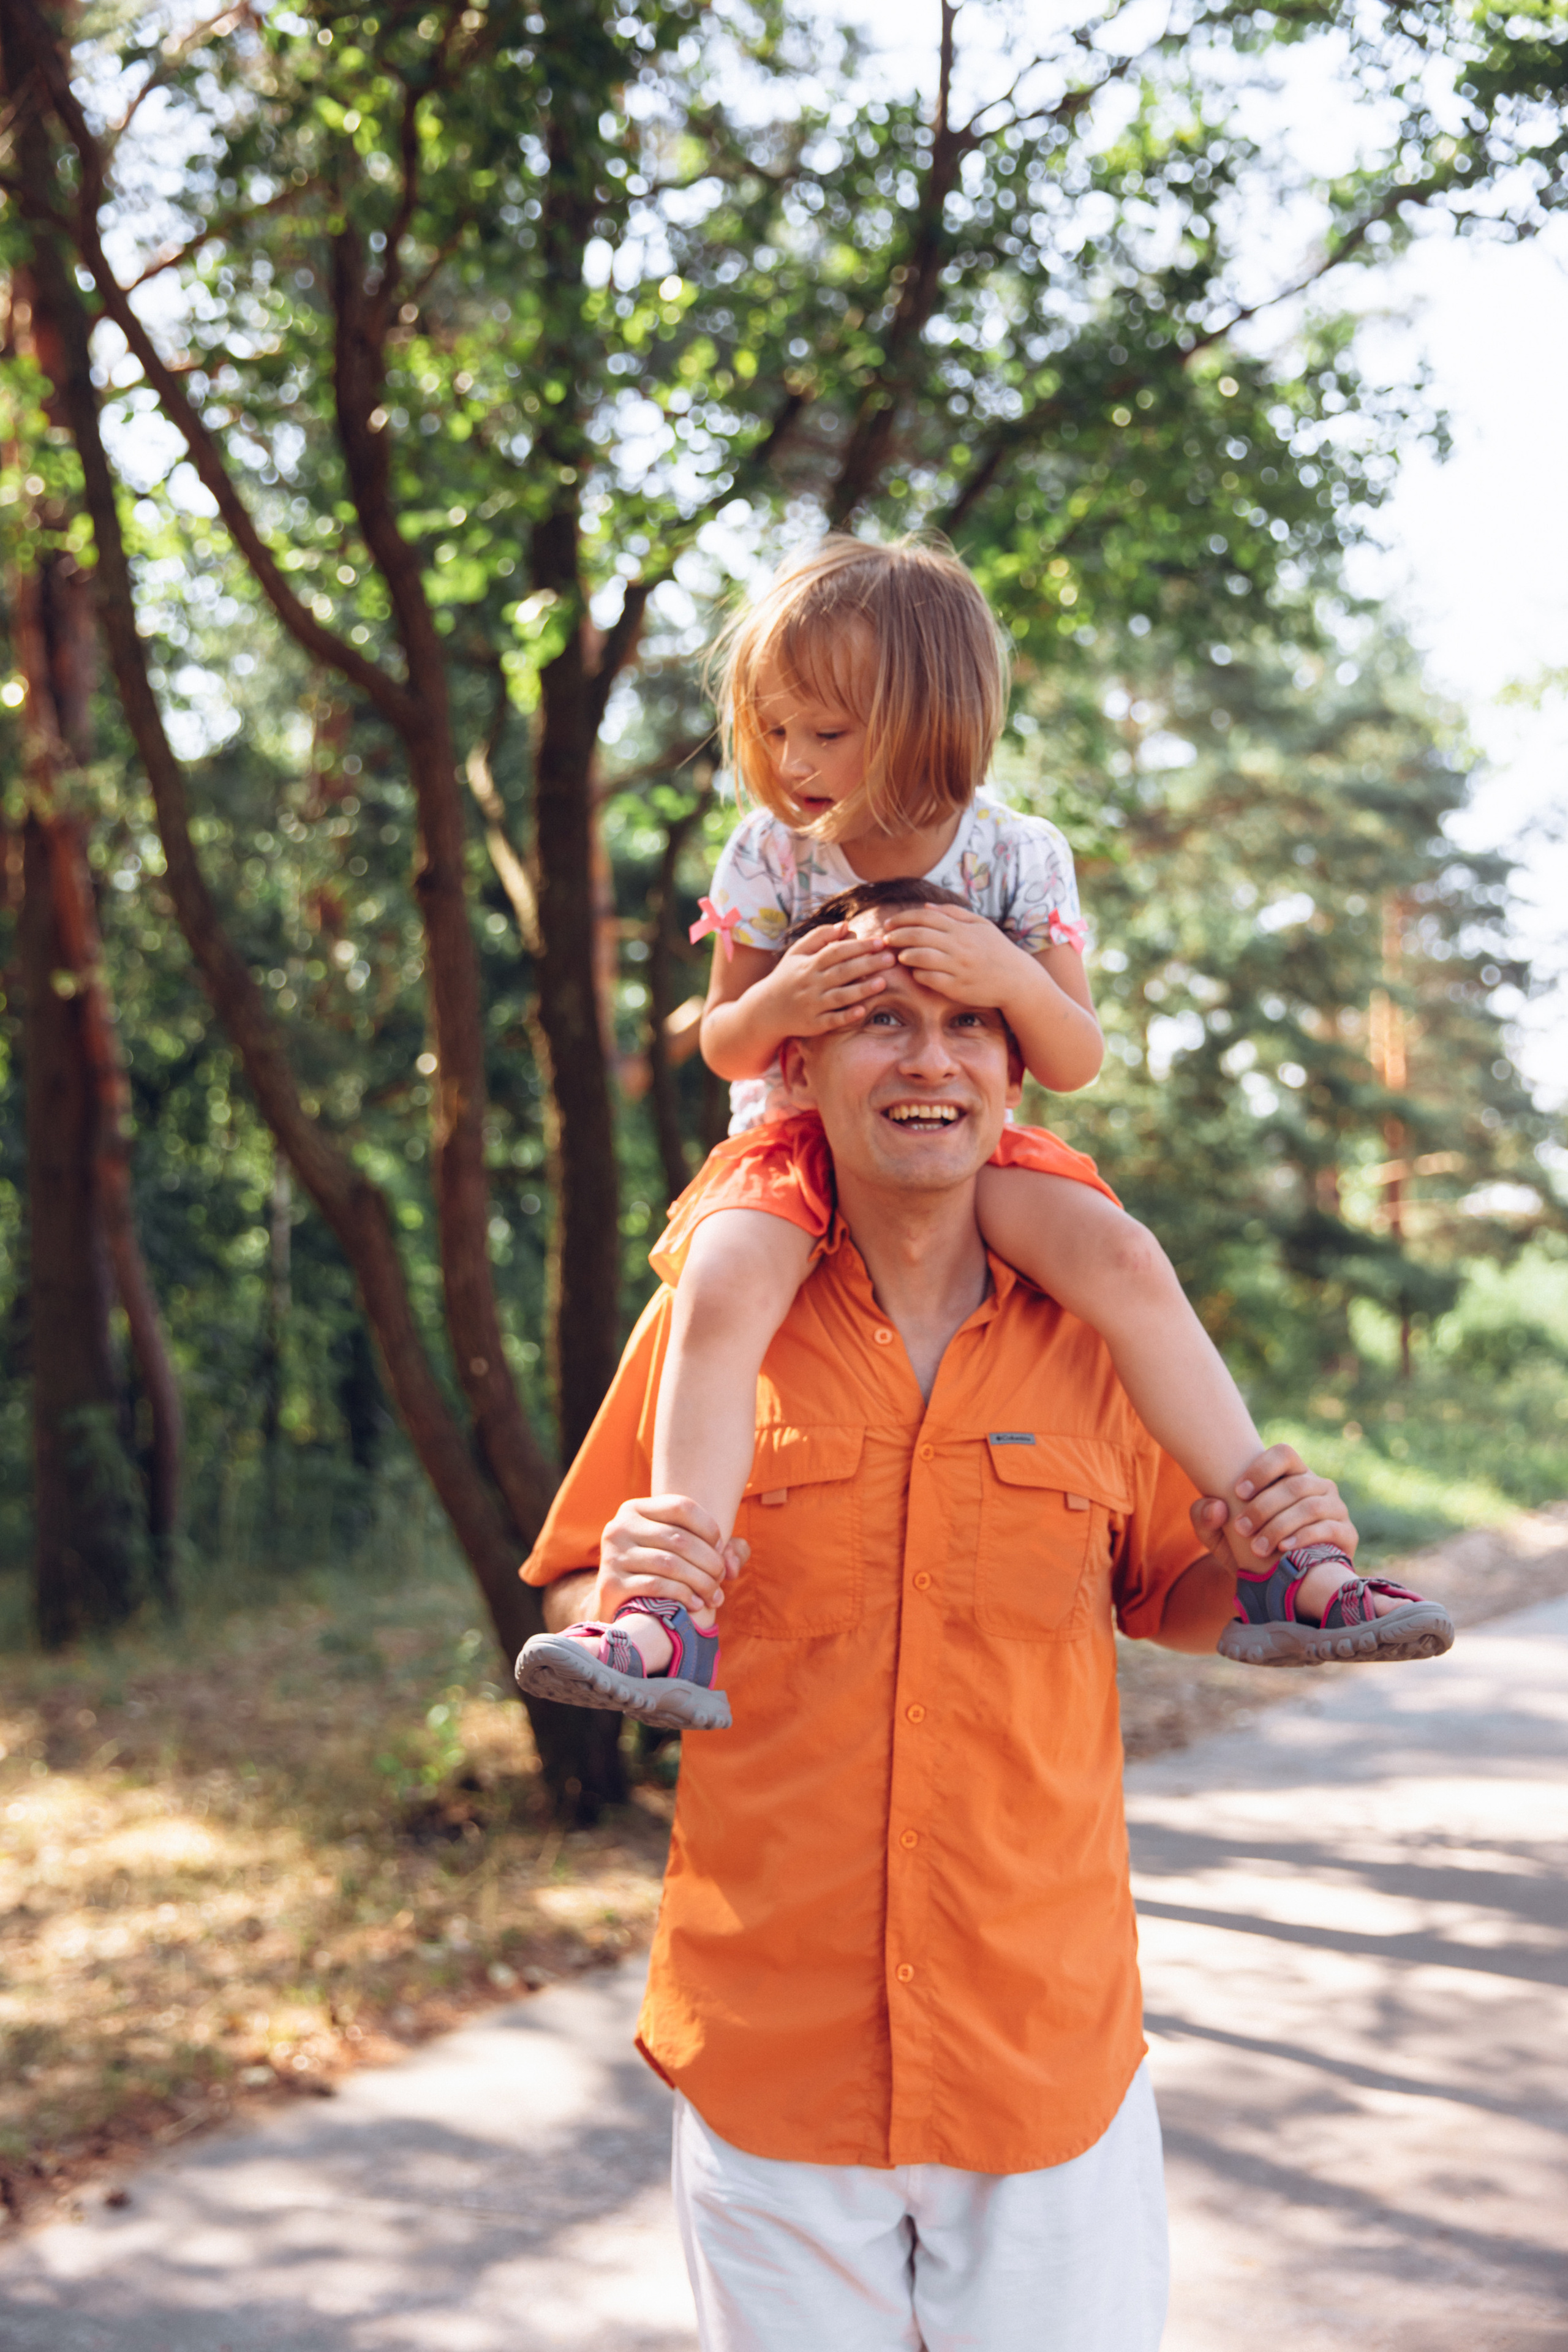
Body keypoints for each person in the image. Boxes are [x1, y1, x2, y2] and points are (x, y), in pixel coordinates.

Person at [516, 908, 1376, 2348]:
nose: (931, 1060)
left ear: (1014, 1070)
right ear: (801, 1062)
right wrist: (611, 1592)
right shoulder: (711, 1319)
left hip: (1039, 2052)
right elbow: (567, 1591)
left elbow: (1183, 1596)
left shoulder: (1106, 1335)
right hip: (772, 2056)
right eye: (882, 1019)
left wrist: (1272, 1553)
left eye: (968, 1022)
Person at [519, 538, 1452, 1729]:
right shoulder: (768, 849)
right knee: (721, 1281)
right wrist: (784, 1004)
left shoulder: (1016, 854)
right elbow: (724, 1045)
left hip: (972, 1152)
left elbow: (1068, 1057)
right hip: (790, 1152)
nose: (793, 763)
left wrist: (1003, 976)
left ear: (924, 721)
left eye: (826, 733)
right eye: (777, 731)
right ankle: (669, 1607)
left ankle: (1281, 1546)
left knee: (1119, 1256)